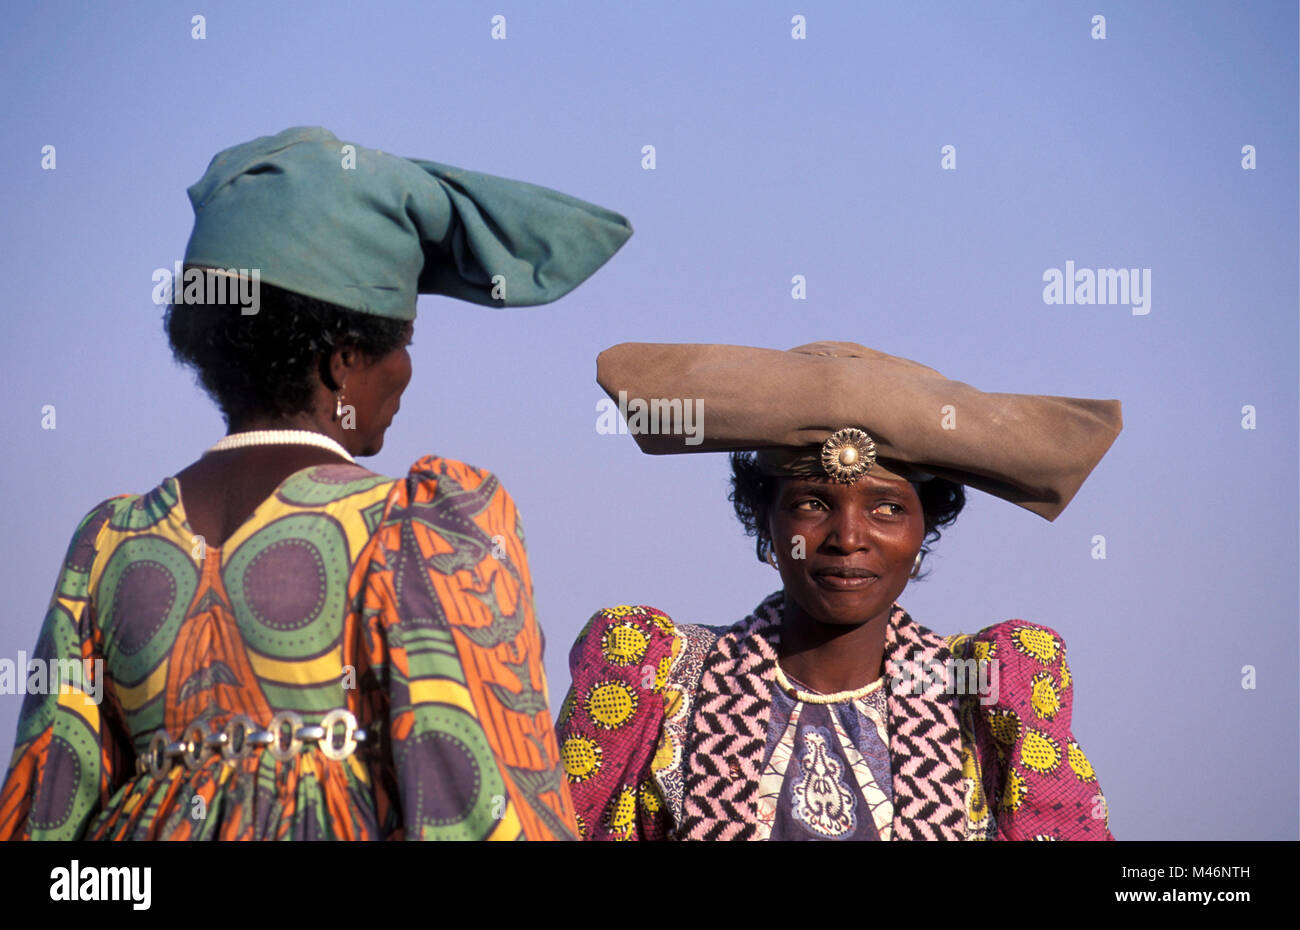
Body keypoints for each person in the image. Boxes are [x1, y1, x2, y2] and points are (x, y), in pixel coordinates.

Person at [0, 126, 632, 840]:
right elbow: (481, 802)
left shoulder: (109, 545)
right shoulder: (419, 529)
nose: (406, 375)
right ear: (343, 361)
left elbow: (43, 808)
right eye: (404, 344)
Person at [557, 340, 1122, 840]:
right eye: (811, 503)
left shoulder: (991, 689)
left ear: (924, 528)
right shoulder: (653, 674)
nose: (848, 538)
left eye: (887, 508)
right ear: (765, 521)